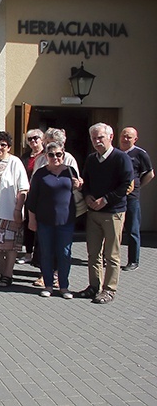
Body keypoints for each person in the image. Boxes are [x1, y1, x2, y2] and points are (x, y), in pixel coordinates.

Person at [77, 123, 133, 304]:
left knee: (112, 254)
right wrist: (87, 196)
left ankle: (109, 290)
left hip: (113, 213)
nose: (97, 141)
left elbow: (126, 185)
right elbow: (86, 183)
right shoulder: (92, 159)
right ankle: (94, 286)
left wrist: (106, 200)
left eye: (100, 137)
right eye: (94, 138)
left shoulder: (121, 158)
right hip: (93, 213)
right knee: (93, 253)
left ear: (110, 137)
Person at [27, 142, 80, 299]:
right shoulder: (40, 174)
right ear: (46, 156)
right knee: (46, 253)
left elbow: (77, 188)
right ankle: (48, 285)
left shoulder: (70, 171)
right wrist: (32, 219)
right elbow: (32, 198)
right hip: (45, 220)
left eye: (58, 155)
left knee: (64, 253)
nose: (55, 158)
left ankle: (63, 286)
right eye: (51, 155)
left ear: (63, 155)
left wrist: (78, 185)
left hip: (66, 220)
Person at [0, 131, 29, 288]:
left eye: (3, 145)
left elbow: (23, 188)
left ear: (9, 147)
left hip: (10, 210)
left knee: (10, 245)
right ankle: (2, 272)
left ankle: (8, 275)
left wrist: (18, 209)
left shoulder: (15, 162)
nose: (0, 147)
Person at [119, 127, 154, 272]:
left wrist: (138, 186)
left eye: (129, 137)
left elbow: (150, 174)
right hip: (117, 197)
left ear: (135, 139)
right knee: (115, 231)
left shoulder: (140, 154)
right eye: (123, 136)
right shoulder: (116, 153)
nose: (125, 139)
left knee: (132, 229)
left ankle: (133, 261)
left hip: (132, 198)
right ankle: (109, 259)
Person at [19, 129, 45, 265]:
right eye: (30, 139)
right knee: (29, 224)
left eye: (36, 138)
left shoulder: (47, 155)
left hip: (42, 196)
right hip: (28, 194)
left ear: (42, 139)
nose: (33, 141)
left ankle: (39, 255)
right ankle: (28, 253)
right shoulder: (25, 157)